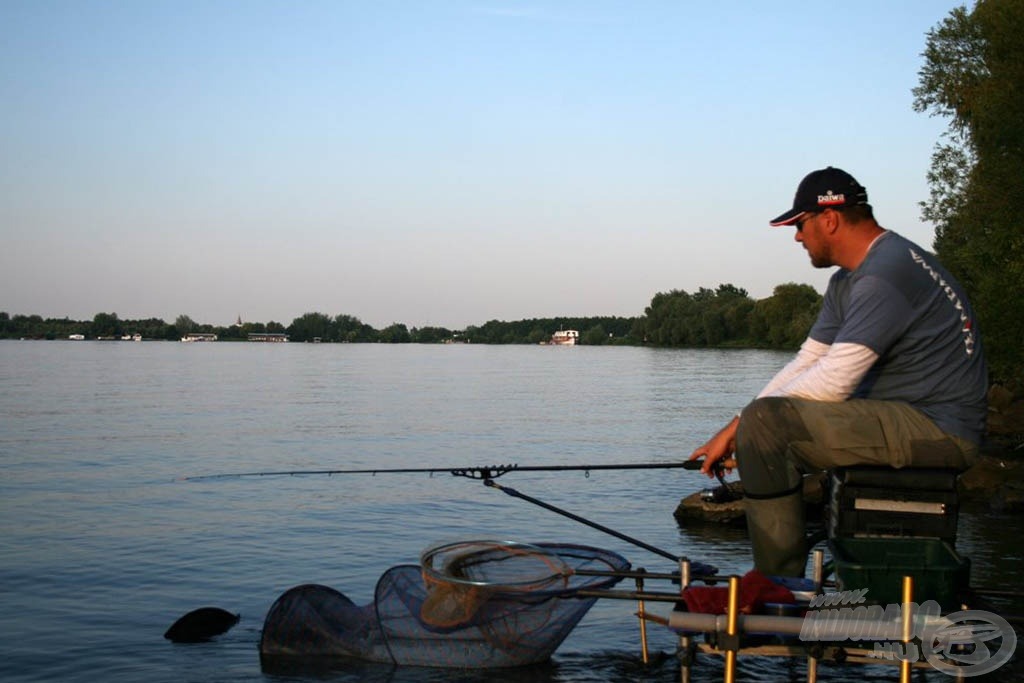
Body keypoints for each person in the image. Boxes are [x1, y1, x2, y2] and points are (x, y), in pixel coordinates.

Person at [688, 167, 988, 577]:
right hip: (911, 415)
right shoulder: (851, 279)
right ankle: (786, 577)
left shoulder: (886, 274)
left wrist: (750, 430)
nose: (796, 236)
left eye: (799, 224)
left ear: (829, 219)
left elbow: (834, 381)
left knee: (767, 425)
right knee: (762, 422)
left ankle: (778, 585)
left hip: (940, 429)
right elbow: (809, 361)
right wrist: (737, 426)